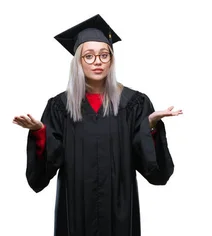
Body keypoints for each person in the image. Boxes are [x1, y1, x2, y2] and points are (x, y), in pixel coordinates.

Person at [12, 14, 181, 236]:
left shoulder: (134, 103)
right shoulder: (60, 106)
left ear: (111, 59)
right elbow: (47, 167)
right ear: (78, 62)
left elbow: (153, 169)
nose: (98, 61)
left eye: (104, 55)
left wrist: (149, 126)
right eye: (89, 56)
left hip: (119, 207)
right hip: (75, 205)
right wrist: (40, 132)